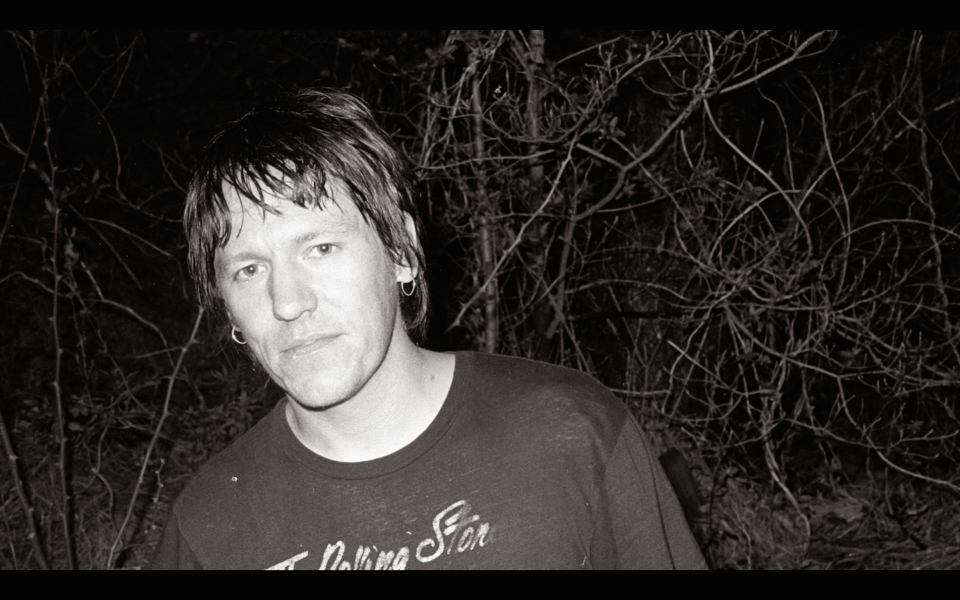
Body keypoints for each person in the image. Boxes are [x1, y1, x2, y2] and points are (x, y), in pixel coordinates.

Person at [150, 88, 706, 570]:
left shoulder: (573, 434)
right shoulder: (210, 527)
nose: (288, 303)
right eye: (249, 270)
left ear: (401, 250)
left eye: (320, 248)